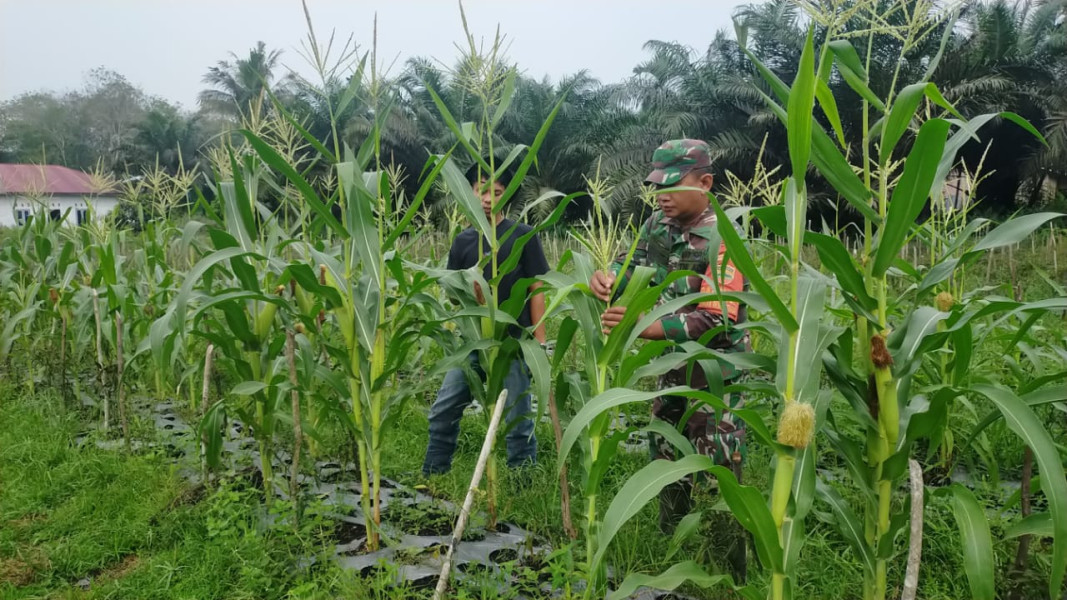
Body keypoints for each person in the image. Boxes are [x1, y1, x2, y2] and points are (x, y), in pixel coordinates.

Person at [589, 139, 750, 580]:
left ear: (705, 183)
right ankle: (669, 546)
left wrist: (647, 327)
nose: (661, 193)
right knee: (665, 448)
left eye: (673, 184)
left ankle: (730, 566)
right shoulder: (657, 228)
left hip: (717, 374)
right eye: (656, 184)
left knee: (718, 463)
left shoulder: (724, 237)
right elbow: (628, 269)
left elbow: (716, 317)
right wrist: (604, 280)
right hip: (672, 368)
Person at [421, 161, 549, 477]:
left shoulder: (522, 236)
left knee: (517, 419)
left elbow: (537, 287)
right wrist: (471, 295)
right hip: (473, 342)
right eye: (482, 191)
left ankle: (524, 481)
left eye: (498, 192)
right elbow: (453, 291)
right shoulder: (463, 241)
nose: (489, 199)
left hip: (514, 344)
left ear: (508, 196)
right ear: (471, 193)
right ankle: (434, 473)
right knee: (443, 410)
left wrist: (540, 341)